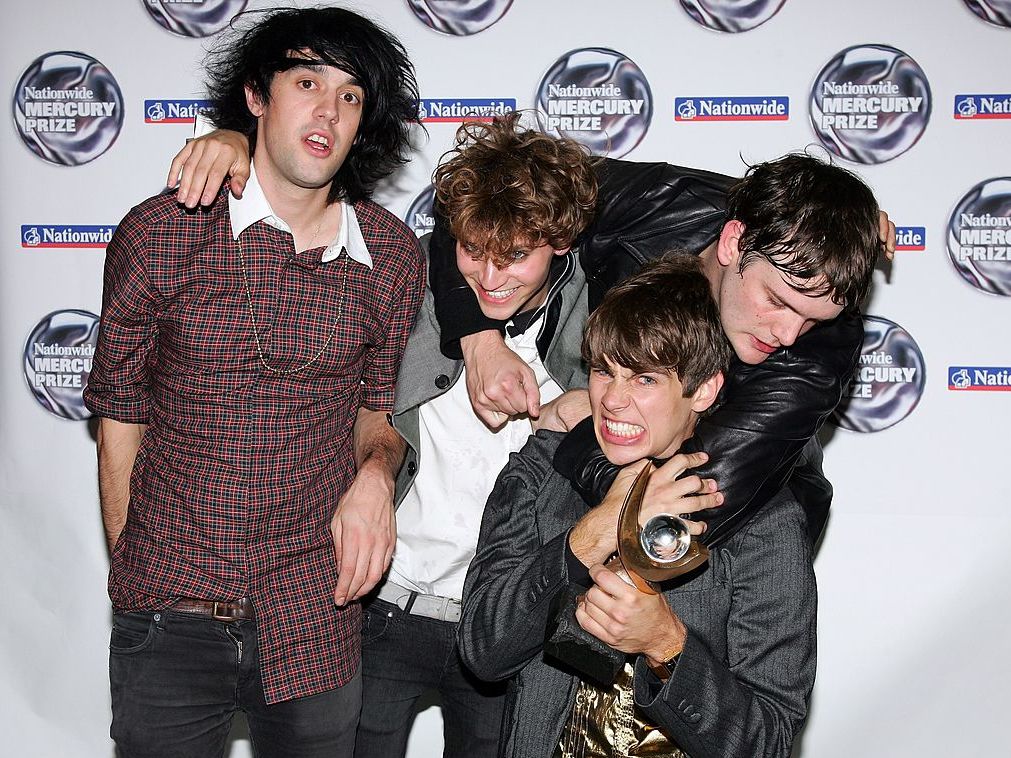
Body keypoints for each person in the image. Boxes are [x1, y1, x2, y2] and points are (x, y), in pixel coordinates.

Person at [83, 7, 424, 758]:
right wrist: (134, 578)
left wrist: (374, 474)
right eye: (306, 82)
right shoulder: (163, 232)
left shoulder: (393, 255)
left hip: (316, 611)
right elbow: (118, 417)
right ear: (256, 96)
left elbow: (381, 412)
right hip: (170, 610)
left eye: (350, 96)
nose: (326, 111)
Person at [458, 256, 817, 757]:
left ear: (705, 388)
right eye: (605, 372)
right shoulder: (541, 469)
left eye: (645, 379)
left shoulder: (762, 520)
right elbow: (482, 650)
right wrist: (599, 528)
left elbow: (768, 741)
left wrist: (667, 645)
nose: (613, 401)